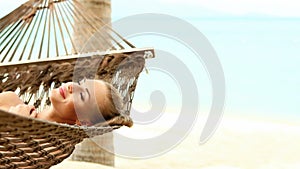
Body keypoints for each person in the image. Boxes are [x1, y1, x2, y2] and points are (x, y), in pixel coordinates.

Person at [0, 79, 124, 126]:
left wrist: (17, 126)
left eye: (82, 95)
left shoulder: (47, 150)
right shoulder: (10, 99)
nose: (72, 86)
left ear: (82, 121)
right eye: (80, 83)